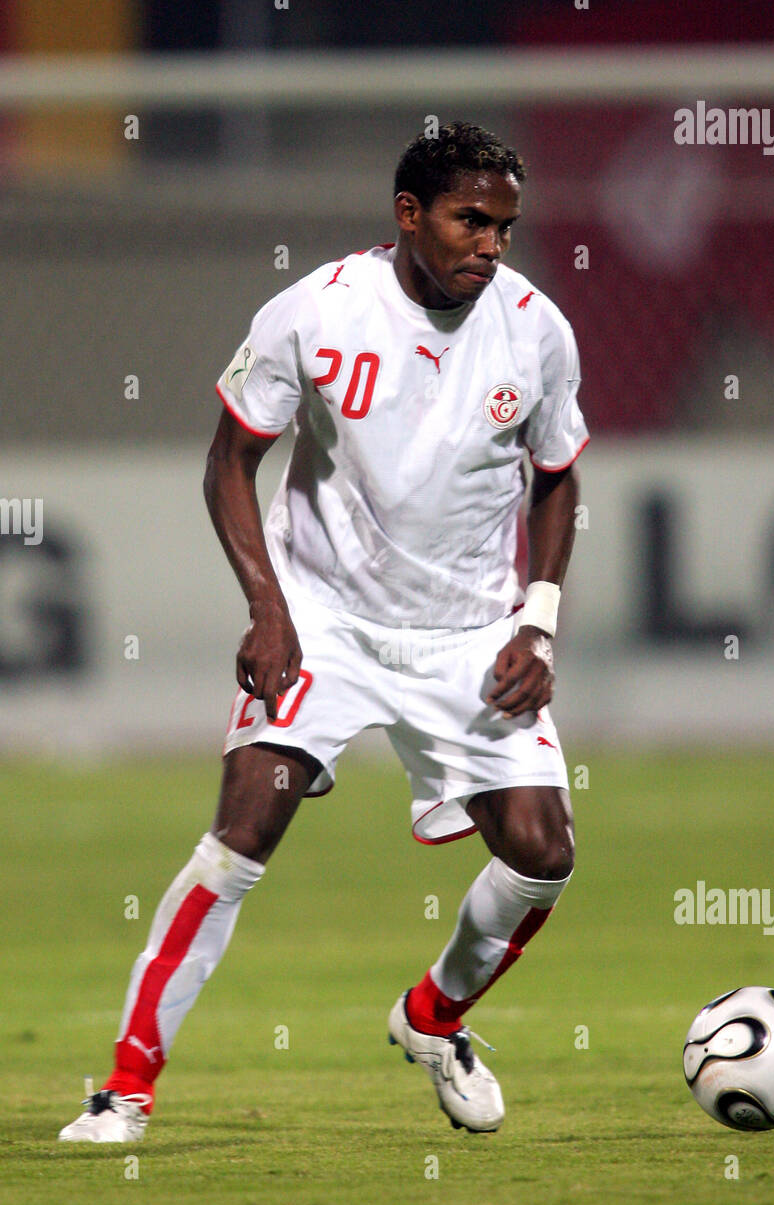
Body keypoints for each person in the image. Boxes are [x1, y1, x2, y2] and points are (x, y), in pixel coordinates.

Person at [59, 121, 589, 1143]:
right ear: (408, 215)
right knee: (242, 831)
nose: (490, 243)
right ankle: (123, 1090)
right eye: (469, 219)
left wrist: (539, 620)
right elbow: (228, 460)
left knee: (541, 853)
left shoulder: (535, 331)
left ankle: (434, 1018)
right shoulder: (313, 313)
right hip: (326, 622)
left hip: (469, 635)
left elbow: (558, 477)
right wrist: (268, 604)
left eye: (504, 226)